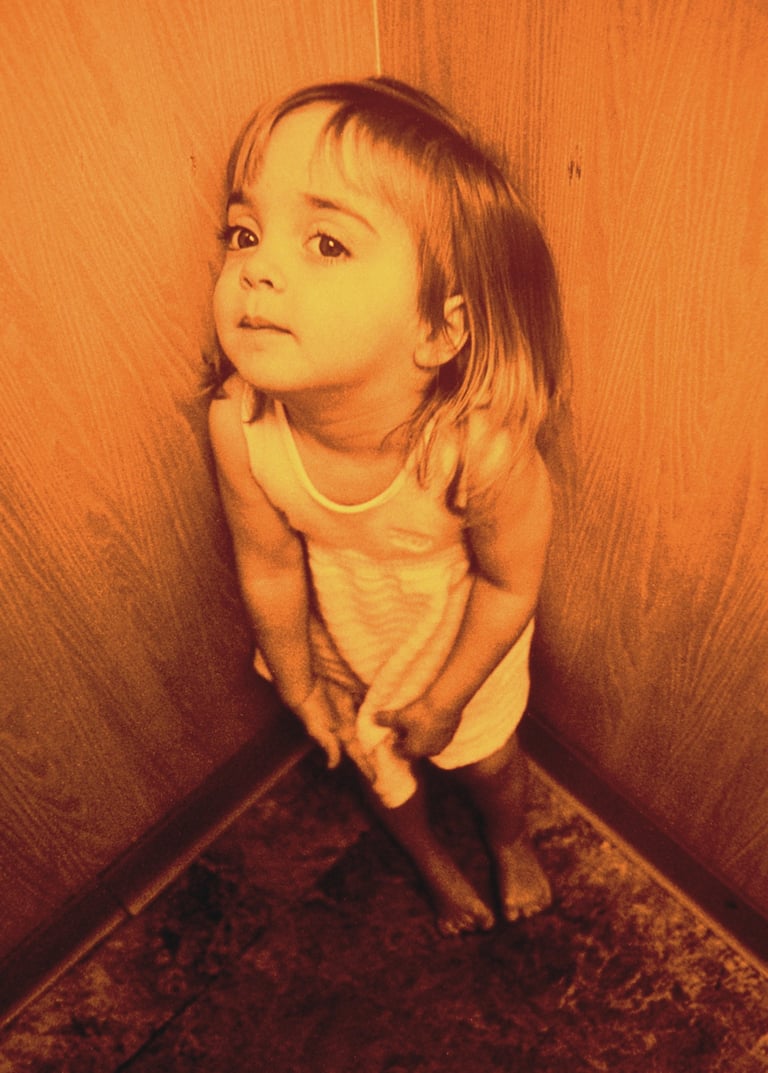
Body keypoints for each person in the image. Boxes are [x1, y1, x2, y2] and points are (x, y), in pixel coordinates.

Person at [206, 76, 567, 936]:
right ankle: (430, 861)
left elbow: (512, 586)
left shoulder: (477, 448)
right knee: (377, 769)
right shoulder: (240, 423)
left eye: (326, 243)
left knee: (486, 760)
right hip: (342, 630)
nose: (255, 264)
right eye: (244, 232)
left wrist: (447, 696)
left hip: (458, 640)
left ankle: (508, 838)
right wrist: (298, 681)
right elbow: (268, 561)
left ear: (440, 330)